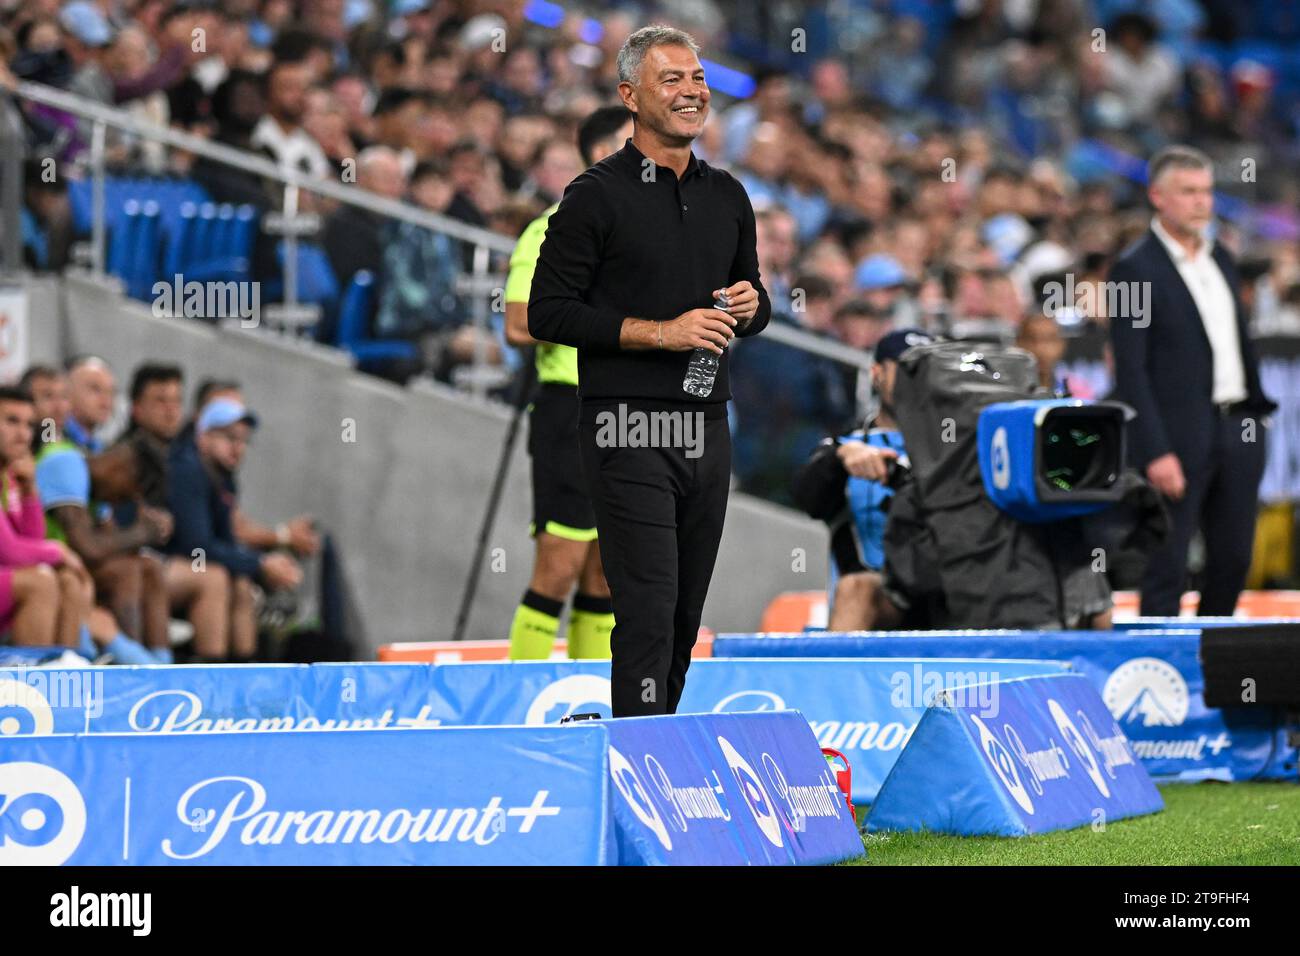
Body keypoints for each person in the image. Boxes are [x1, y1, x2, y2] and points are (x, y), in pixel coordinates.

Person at [528, 26, 770, 716]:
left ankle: (654, 744)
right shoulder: (594, 196)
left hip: (706, 425)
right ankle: (641, 761)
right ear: (629, 96)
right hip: (625, 424)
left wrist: (753, 306)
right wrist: (662, 333)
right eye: (673, 80)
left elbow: (752, 302)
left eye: (698, 79)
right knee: (646, 610)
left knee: (684, 619)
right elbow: (548, 314)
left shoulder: (728, 195)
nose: (693, 91)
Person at [1108, 145, 1276, 616]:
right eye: (1189, 192)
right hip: (1177, 438)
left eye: (1206, 191)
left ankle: (1215, 668)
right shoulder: (1131, 270)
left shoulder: (1220, 256)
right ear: (1158, 196)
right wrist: (1155, 450)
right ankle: (1161, 672)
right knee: (1168, 563)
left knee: (1234, 559)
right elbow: (1130, 370)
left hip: (1237, 427)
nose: (1202, 202)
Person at [503, 104, 632, 660]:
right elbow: (516, 322)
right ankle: (514, 702)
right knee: (558, 564)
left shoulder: (637, 235)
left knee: (606, 573)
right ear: (603, 152)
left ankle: (593, 698)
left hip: (628, 410)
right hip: (568, 409)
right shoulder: (549, 229)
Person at [792, 329, 931, 630]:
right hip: (875, 602)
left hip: (941, 596)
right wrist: (840, 457)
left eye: (925, 371)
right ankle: (839, 677)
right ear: (877, 373)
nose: (916, 381)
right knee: (856, 588)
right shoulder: (844, 442)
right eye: (906, 370)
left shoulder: (953, 446)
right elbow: (807, 499)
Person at [165, 399, 302, 662]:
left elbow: (225, 541)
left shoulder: (224, 479)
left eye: (244, 441)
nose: (238, 448)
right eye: (229, 438)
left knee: (240, 582)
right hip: (157, 562)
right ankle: (211, 673)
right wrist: (260, 563)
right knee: (214, 577)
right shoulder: (187, 469)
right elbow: (198, 547)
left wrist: (257, 567)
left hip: (186, 563)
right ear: (203, 438)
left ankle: (245, 676)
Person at [0, 385, 88, 649]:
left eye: (29, 425)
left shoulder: (12, 476)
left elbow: (32, 539)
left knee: (69, 581)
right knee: (40, 583)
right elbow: (9, 553)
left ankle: (65, 668)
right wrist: (58, 550)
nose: (23, 434)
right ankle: (31, 680)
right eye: (11, 421)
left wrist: (30, 491)